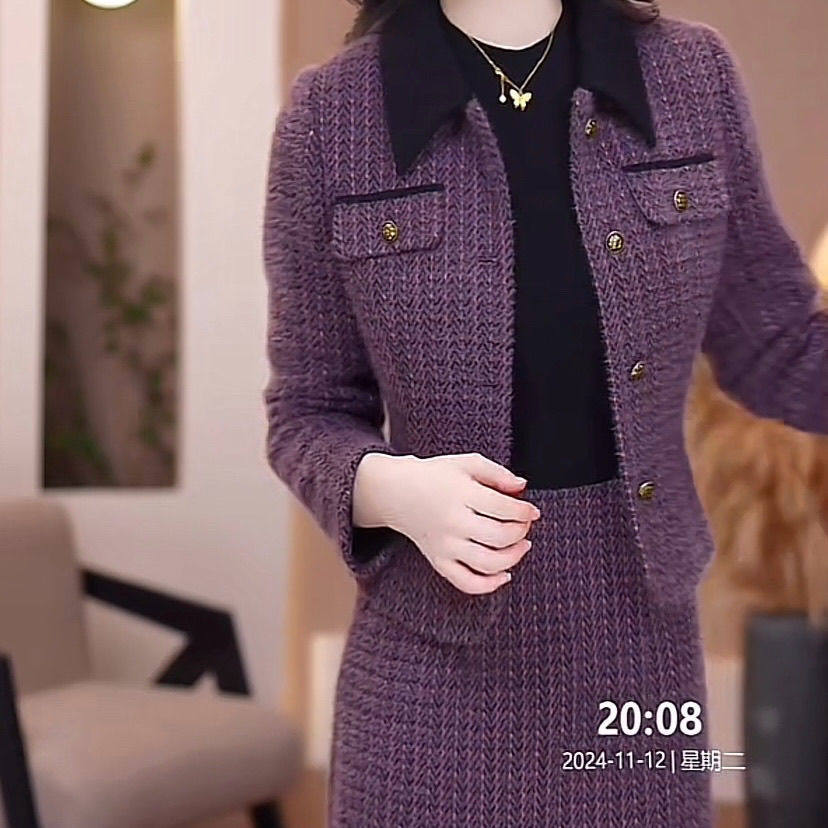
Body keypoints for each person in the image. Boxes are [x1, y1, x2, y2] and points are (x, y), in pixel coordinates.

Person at [261, 0, 828, 825]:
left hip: (638, 656)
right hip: (429, 664)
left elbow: (780, 344)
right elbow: (306, 411)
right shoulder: (333, 115)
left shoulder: (689, 76)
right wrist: (392, 491)